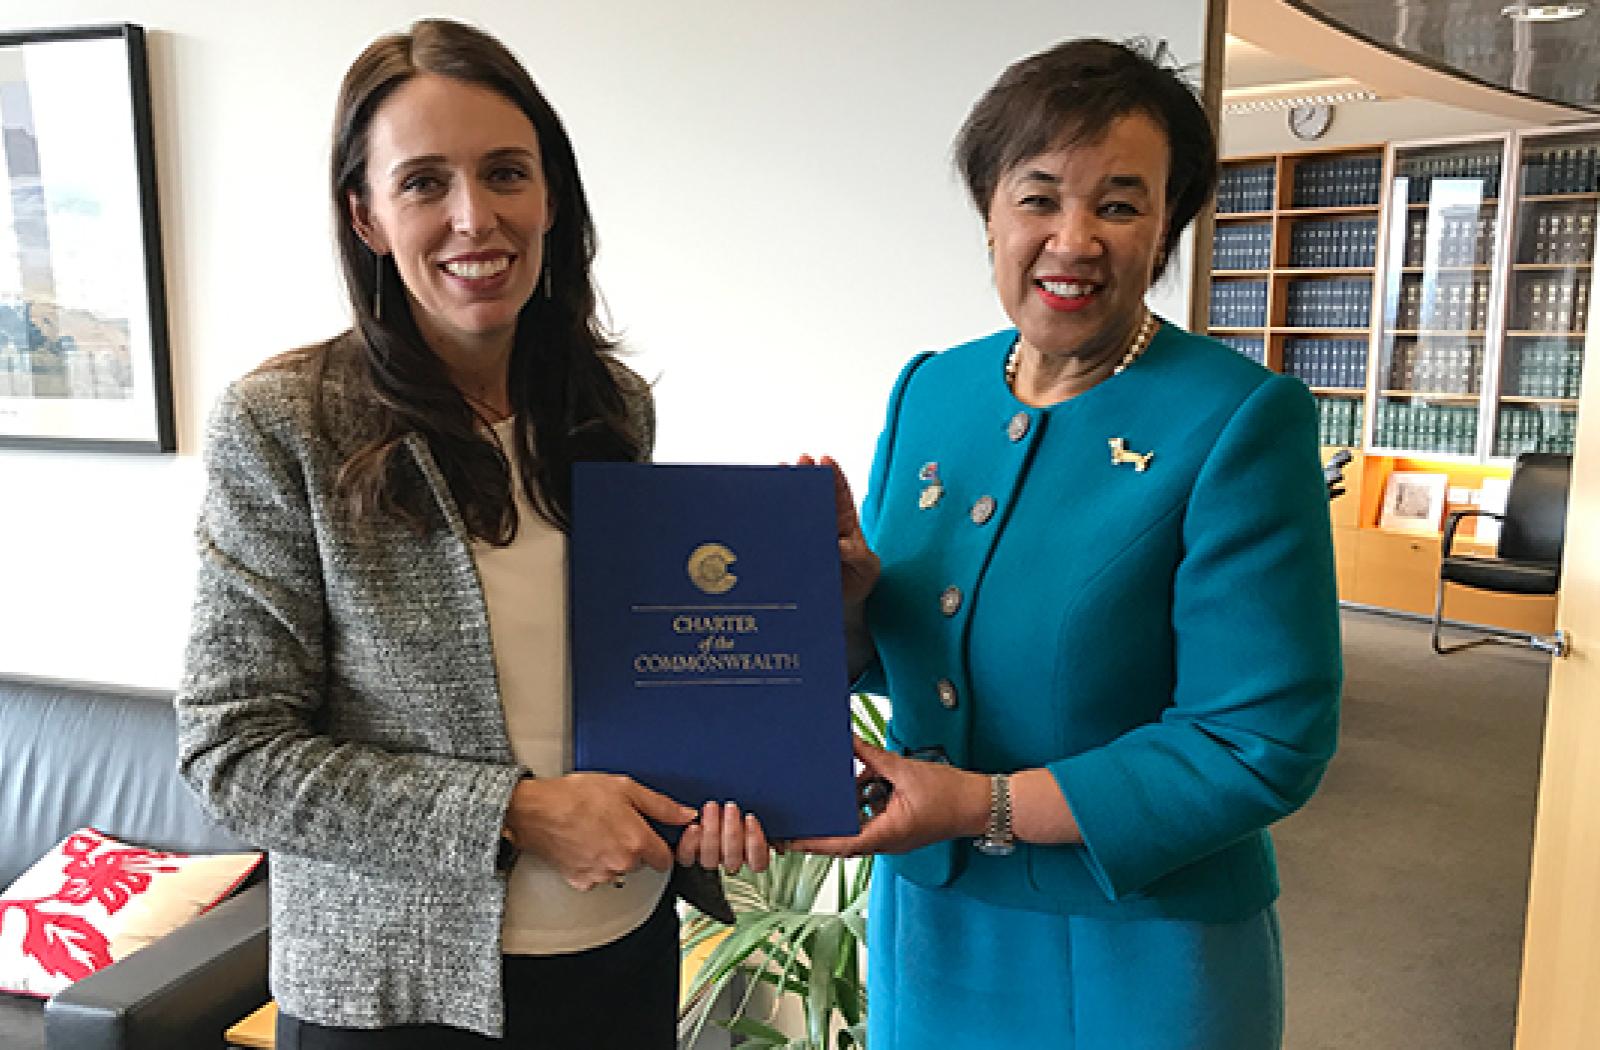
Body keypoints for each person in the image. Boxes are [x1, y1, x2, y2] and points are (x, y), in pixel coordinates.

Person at [175, 19, 767, 1048]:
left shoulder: (611, 408)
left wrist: (724, 775)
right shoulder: (284, 423)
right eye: (423, 183)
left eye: (505, 174)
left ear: (551, 198)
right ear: (365, 216)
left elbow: (645, 668)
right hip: (395, 996)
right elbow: (233, 753)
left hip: (622, 950)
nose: (473, 217)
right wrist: (516, 812)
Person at [796, 38, 1342, 1049]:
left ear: (1166, 227)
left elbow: (1260, 743)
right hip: (934, 920)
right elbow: (914, 652)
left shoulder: (1237, 419)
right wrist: (846, 603)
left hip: (1140, 940)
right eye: (1039, 197)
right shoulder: (933, 390)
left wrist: (983, 806)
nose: (1073, 239)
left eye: (1119, 205)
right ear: (990, 214)